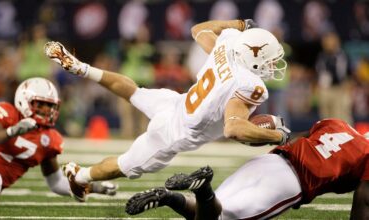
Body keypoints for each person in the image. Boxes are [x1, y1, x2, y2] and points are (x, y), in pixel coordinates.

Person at [44, 19, 290, 201]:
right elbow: (234, 128)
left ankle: (83, 68)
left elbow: (198, 30)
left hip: (176, 103)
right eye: (269, 59)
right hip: (173, 133)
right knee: (124, 166)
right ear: (254, 57)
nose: (272, 65)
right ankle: (80, 175)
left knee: (135, 92)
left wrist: (238, 24)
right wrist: (277, 136)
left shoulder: (226, 47)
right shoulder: (250, 84)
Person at [125, 118, 369, 219]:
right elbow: (363, 201)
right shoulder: (366, 154)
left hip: (269, 162)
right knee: (222, 217)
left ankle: (171, 197)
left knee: (216, 211)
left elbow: (293, 139)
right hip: (292, 184)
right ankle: (202, 189)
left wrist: (266, 131)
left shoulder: (338, 124)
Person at [0, 77, 116, 203]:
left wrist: (93, 188)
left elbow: (57, 183)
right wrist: (12, 131)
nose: (46, 110)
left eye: (50, 105)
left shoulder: (49, 139)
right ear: (24, 101)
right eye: (40, 104)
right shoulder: (7, 112)